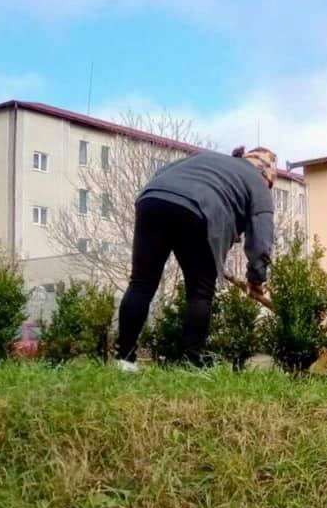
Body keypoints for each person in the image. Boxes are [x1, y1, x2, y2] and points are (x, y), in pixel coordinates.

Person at [116, 145, 277, 370]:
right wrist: (256, 277)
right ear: (267, 173)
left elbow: (161, 174)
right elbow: (261, 235)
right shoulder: (257, 182)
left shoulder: (208, 157)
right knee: (200, 291)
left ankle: (124, 360)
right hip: (201, 211)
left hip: (153, 199)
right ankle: (190, 365)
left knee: (141, 283)